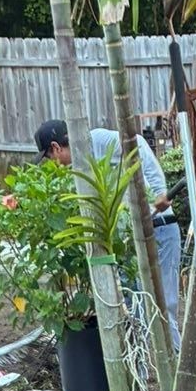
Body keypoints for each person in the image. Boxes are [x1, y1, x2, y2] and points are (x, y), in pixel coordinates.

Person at [34, 118, 181, 353]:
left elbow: (138, 145)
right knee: (133, 309)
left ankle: (178, 376)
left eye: (50, 158)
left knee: (163, 307)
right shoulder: (78, 169)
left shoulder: (97, 141)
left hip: (159, 228)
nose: (55, 164)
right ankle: (138, 380)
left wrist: (158, 192)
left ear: (55, 147)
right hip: (128, 241)